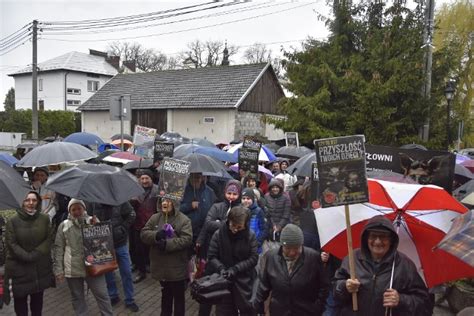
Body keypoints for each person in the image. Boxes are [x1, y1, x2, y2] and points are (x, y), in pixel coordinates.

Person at [333, 215, 432, 316]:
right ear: (366, 238)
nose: (377, 241)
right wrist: (344, 286)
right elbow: (335, 290)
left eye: (383, 236)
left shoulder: (405, 265)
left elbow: (424, 304)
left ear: (391, 240)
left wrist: (401, 300)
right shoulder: (352, 258)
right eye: (373, 236)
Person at [252, 224, 328, 315]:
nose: (292, 253)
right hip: (279, 311)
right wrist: (259, 309)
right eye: (287, 248)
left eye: (296, 248)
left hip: (306, 311)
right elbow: (263, 286)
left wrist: (317, 308)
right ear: (281, 245)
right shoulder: (271, 257)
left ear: (301, 245)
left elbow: (324, 286)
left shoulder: (313, 257)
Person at [53, 199, 113, 316]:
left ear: (84, 209)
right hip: (72, 267)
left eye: (79, 208)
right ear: (69, 211)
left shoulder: (93, 221)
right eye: (73, 209)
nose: (77, 211)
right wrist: (58, 270)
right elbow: (59, 248)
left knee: (102, 294)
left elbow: (103, 243)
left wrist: (97, 227)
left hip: (93, 266)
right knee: (77, 297)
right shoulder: (64, 225)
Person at [3, 191, 54, 316]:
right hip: (19, 269)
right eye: (27, 200)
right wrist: (27, 256)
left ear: (38, 202)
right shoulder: (12, 221)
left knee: (37, 303)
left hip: (39, 269)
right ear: (22, 202)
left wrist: (36, 253)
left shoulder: (44, 218)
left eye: (34, 200)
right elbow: (11, 243)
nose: (31, 203)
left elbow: (49, 238)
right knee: (20, 305)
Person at [141, 197, 192, 316]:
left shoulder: (184, 220)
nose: (164, 203)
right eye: (162, 200)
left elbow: (187, 239)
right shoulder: (155, 217)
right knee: (166, 295)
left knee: (178, 298)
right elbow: (143, 234)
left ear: (174, 203)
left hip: (176, 268)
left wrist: (167, 244)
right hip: (161, 268)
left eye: (168, 201)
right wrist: (156, 235)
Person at [87, 201, 139, 312]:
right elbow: (87, 218)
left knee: (126, 271)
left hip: (120, 243)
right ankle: (113, 295)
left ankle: (130, 299)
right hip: (103, 244)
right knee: (107, 272)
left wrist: (123, 228)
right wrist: (91, 222)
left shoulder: (120, 200)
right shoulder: (93, 202)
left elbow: (132, 214)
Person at [207, 206, 258, 316]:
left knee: (248, 311)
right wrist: (221, 268)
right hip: (224, 282)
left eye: (239, 227)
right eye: (232, 225)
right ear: (228, 221)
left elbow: (254, 258)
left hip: (245, 282)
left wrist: (236, 269)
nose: (235, 230)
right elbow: (211, 256)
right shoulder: (218, 234)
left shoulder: (250, 236)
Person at [129, 169, 158, 283]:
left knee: (152, 249)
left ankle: (151, 266)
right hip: (138, 225)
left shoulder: (157, 190)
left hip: (152, 225)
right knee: (138, 249)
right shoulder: (134, 190)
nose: (145, 181)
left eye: (147, 178)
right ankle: (141, 271)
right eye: (142, 179)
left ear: (151, 179)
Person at [180, 173, 216, 247]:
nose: (196, 180)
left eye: (199, 177)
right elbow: (176, 209)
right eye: (194, 177)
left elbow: (214, 208)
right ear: (189, 178)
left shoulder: (209, 191)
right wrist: (189, 206)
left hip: (203, 232)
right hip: (186, 231)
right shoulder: (182, 190)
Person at [240, 188, 266, 254]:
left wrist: (258, 243)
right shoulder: (238, 210)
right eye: (243, 198)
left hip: (254, 245)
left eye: (248, 199)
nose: (245, 201)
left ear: (252, 199)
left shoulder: (258, 211)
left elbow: (263, 229)